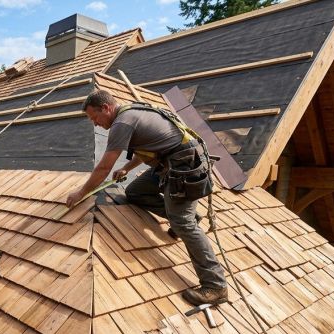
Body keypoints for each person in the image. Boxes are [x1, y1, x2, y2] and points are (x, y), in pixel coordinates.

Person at [66, 90, 227, 305]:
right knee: (134, 192)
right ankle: (187, 214)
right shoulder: (131, 111)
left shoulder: (122, 123)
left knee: (182, 223)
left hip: (182, 167)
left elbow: (104, 167)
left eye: (95, 118)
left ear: (106, 108)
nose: (95, 124)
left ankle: (216, 286)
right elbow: (150, 147)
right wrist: (126, 168)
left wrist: (81, 193)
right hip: (168, 164)